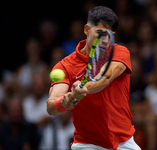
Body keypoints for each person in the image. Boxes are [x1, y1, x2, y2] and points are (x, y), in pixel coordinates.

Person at [46, 6, 141, 150]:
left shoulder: (120, 52)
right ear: (86, 29)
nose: (104, 40)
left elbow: (106, 76)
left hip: (124, 142)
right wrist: (64, 101)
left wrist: (82, 88)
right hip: (87, 144)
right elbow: (51, 106)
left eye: (110, 35)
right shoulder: (65, 66)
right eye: (100, 32)